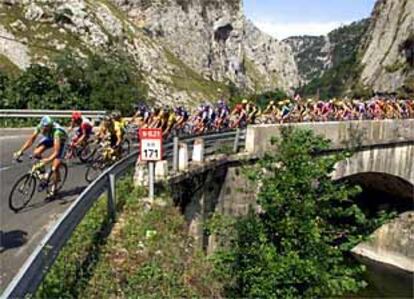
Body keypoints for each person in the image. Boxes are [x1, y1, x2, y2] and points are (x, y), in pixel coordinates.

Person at [14, 116, 68, 196]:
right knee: (36, 152)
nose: (45, 129)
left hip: (61, 141)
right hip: (50, 138)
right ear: (41, 125)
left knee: (55, 166)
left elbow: (56, 152)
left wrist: (47, 160)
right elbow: (31, 140)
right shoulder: (39, 127)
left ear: (51, 126)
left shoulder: (57, 132)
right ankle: (43, 173)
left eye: (48, 128)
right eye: (44, 127)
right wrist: (20, 151)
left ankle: (54, 187)